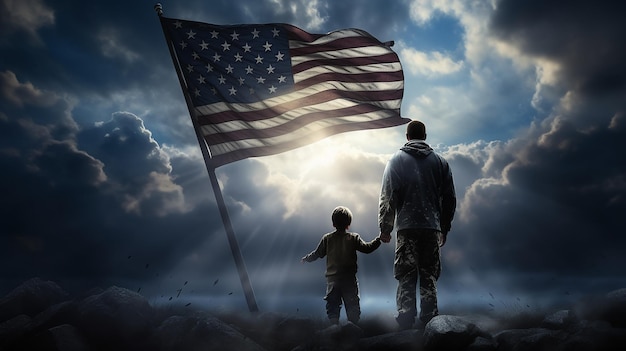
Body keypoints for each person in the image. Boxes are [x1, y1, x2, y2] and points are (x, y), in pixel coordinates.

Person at [378, 120, 456, 329]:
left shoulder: (395, 161)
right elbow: (449, 198)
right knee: (429, 273)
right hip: (431, 226)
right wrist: (444, 227)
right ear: (425, 135)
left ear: (407, 137)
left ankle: (405, 316)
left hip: (406, 225)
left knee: (406, 272)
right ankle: (430, 317)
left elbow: (388, 197)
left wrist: (385, 228)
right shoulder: (441, 163)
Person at [302, 206, 382, 325]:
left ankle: (334, 329)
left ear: (333, 223)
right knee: (352, 305)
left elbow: (317, 254)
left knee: (333, 305)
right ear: (348, 224)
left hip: (332, 280)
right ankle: (353, 329)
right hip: (349, 279)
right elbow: (367, 248)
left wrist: (307, 259)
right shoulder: (354, 238)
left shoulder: (327, 239)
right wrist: (379, 239)